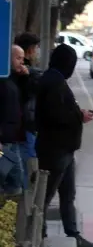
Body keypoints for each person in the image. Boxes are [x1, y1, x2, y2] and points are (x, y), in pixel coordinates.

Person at [36, 44, 93, 247]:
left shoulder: (56, 80)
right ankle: (40, 233)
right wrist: (79, 116)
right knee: (46, 195)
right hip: (55, 149)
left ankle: (73, 234)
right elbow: (54, 115)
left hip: (65, 150)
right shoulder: (53, 82)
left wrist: (77, 114)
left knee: (67, 195)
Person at [13, 32, 42, 188]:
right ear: (30, 49)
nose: (37, 51)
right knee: (25, 168)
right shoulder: (26, 74)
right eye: (36, 48)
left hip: (23, 128)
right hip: (24, 129)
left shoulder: (24, 73)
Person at [0, 45, 28, 196]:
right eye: (18, 58)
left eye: (23, 59)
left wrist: (24, 78)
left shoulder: (13, 79)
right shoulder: (2, 79)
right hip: (4, 141)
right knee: (15, 180)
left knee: (14, 180)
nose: (21, 63)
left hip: (12, 138)